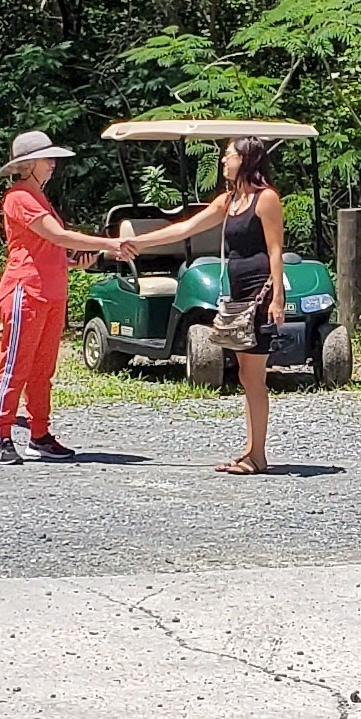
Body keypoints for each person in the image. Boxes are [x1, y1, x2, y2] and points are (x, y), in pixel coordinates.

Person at [132, 134, 293, 474]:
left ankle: (257, 455)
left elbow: (276, 250)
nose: (223, 161)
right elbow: (184, 229)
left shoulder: (266, 199)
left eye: (229, 156)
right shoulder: (228, 201)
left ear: (246, 159)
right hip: (236, 294)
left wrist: (279, 297)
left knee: (254, 376)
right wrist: (136, 242)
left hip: (260, 294)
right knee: (246, 377)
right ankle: (252, 451)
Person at [0, 129, 134, 465]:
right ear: (28, 165)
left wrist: (72, 261)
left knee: (43, 369)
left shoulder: (37, 197)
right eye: (47, 158)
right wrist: (107, 244)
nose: (53, 164)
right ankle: (2, 434)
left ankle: (39, 434)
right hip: (25, 291)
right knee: (16, 365)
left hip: (50, 291)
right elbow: (56, 235)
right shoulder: (19, 197)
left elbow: (46, 247)